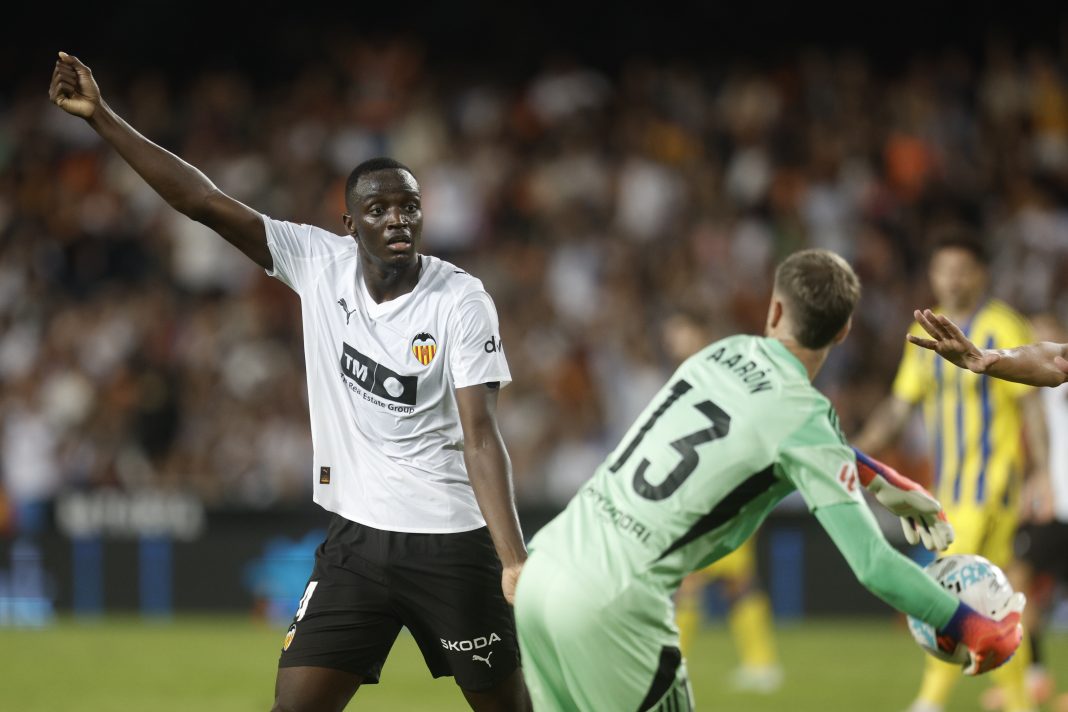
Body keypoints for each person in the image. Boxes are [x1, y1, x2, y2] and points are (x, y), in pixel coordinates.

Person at [49, 52, 531, 712]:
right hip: (355, 544)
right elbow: (202, 202)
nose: (397, 219)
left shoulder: (461, 300)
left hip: (449, 543)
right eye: (379, 208)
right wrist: (101, 117)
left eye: (410, 207)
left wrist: (512, 558)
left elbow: (480, 436)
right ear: (350, 224)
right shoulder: (317, 262)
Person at [514, 248, 1018, 712]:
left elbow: (783, 431)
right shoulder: (805, 416)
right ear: (843, 332)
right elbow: (873, 565)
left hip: (546, 566)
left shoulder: (720, 353)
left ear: (774, 310)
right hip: (612, 605)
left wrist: (881, 479)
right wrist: (972, 625)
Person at [854, 234, 1048, 712]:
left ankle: (929, 701)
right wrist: (858, 449)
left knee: (945, 593)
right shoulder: (924, 333)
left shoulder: (1001, 325)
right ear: (932, 275)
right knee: (995, 604)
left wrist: (1041, 471)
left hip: (993, 487)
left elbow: (1030, 403)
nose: (953, 280)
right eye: (944, 270)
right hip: (950, 489)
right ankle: (1019, 703)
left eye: (962, 270)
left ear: (981, 273)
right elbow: (900, 405)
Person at [912, 310, 1068, 710]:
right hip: (1055, 505)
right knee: (1014, 585)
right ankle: (1028, 682)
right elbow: (1051, 360)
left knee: (1012, 584)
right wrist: (989, 358)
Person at [661, 310, 782, 693]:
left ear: (700, 333)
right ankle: (761, 663)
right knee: (734, 581)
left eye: (680, 333)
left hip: (721, 490)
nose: (673, 342)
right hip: (713, 489)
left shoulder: (715, 377)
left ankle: (674, 666)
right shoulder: (694, 376)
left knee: (692, 580)